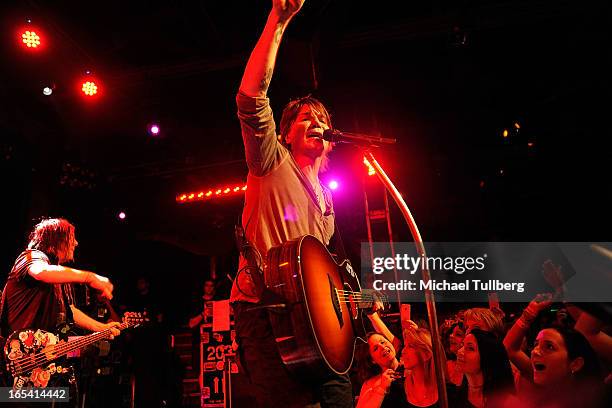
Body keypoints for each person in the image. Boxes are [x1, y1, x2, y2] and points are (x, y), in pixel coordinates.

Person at [230, 1, 351, 406]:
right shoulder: (271, 161)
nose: (316, 123)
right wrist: (278, 21)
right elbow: (250, 96)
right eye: (305, 119)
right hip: (265, 314)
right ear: (284, 134)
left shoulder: (329, 202)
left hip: (317, 326)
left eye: (321, 119)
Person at [0, 218, 120, 405]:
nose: (76, 243)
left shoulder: (60, 280)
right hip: (17, 364)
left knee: (63, 397)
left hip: (43, 367)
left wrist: (101, 328)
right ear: (57, 239)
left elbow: (71, 312)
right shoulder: (31, 257)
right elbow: (41, 272)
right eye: (72, 238)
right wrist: (89, 277)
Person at [504, 294, 606, 407]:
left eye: (549, 347)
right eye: (536, 344)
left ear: (575, 364)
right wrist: (530, 311)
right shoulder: (545, 380)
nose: (535, 351)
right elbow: (509, 348)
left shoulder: (594, 399)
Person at [357, 305, 438, 407]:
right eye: (375, 349)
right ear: (372, 360)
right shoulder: (372, 383)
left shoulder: (409, 368)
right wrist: (381, 389)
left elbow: (428, 355)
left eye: (383, 342)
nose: (382, 347)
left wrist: (418, 336)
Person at [452, 329, 516, 407]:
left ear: (487, 358)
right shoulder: (455, 396)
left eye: (470, 348)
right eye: (462, 345)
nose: (460, 351)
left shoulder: (505, 402)